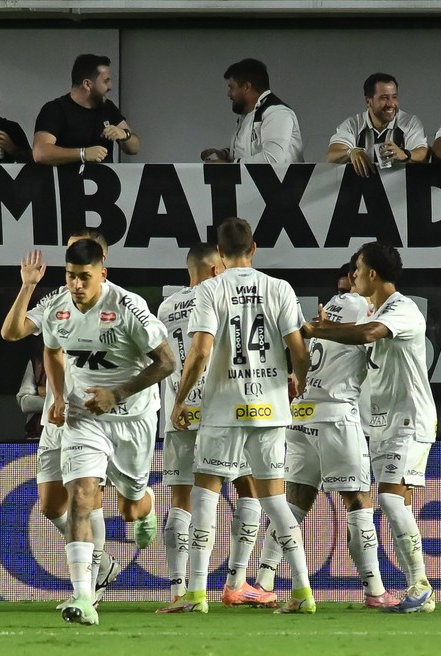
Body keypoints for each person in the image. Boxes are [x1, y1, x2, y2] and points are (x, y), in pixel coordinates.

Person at [166, 217, 313, 615]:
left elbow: (199, 351)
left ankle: (196, 594)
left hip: (223, 407)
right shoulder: (279, 288)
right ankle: (302, 590)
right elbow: (298, 348)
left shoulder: (212, 288)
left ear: (220, 252)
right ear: (254, 248)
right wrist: (296, 380)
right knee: (276, 501)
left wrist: (180, 400)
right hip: (269, 407)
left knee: (205, 496)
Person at [250, 257, 398, 609]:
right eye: (359, 274)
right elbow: (369, 338)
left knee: (294, 503)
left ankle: (264, 581)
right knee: (358, 502)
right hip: (336, 416)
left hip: (300, 416)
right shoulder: (360, 307)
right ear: (358, 278)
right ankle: (375, 591)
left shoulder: (330, 308)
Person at [43, 239, 174, 626]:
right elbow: (51, 351)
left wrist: (117, 393)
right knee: (81, 496)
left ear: (103, 273)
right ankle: (84, 596)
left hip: (133, 418)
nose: (77, 285)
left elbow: (167, 362)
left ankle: (145, 500)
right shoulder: (58, 307)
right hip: (85, 418)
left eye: (85, 277)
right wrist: (58, 395)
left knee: (129, 508)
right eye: (70, 276)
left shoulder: (128, 307)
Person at [302, 241, 437, 613]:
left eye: (358, 270)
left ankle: (420, 583)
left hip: (410, 419)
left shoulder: (401, 308)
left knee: (390, 499)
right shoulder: (372, 310)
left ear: (372, 274)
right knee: (397, 505)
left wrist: (316, 330)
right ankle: (420, 593)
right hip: (380, 424)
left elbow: (366, 335)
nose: (353, 276)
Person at [0, 230, 122, 610]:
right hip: (57, 415)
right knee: (53, 506)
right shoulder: (59, 300)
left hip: (93, 418)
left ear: (101, 262)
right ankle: (101, 564)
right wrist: (27, 287)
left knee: (87, 499)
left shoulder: (118, 305)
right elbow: (11, 332)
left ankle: (88, 589)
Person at [155, 244, 277, 610]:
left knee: (181, 500)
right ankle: (236, 582)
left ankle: (180, 591)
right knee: (249, 489)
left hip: (178, 411)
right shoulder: (221, 296)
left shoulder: (165, 307)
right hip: (220, 409)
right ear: (213, 270)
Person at [32, 54, 140, 166]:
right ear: (87, 84)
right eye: (105, 81)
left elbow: (134, 148)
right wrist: (83, 154)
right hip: (67, 182)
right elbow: (40, 153)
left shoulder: (108, 108)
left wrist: (124, 135)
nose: (110, 86)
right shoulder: (55, 109)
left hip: (103, 182)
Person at [200, 58, 302, 164]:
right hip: (258, 181)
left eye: (231, 87)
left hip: (284, 181)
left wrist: (229, 166)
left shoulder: (277, 113)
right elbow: (247, 153)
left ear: (246, 87)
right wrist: (225, 154)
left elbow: (273, 160)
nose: (229, 94)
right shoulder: (248, 114)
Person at [326, 73, 428, 177]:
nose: (391, 104)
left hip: (400, 191)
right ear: (368, 102)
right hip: (361, 189)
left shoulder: (409, 122)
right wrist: (350, 152)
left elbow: (423, 153)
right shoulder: (353, 125)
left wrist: (405, 154)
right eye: (384, 98)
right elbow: (331, 156)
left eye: (394, 97)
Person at [16, 344, 46, 439]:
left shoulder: (83, 365)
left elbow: (83, 404)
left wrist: (46, 393)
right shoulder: (37, 362)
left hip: (74, 437)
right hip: (37, 436)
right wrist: (58, 400)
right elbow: (25, 403)